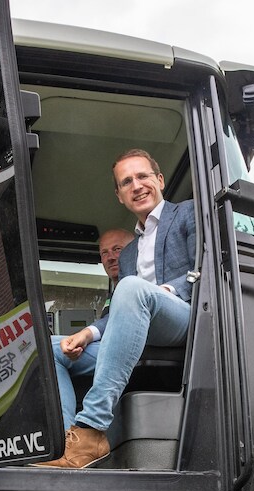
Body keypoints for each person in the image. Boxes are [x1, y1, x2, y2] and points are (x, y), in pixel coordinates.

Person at [40, 149, 197, 468]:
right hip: (137, 331)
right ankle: (66, 445)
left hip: (183, 318)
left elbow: (203, 269)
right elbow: (122, 310)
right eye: (126, 182)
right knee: (48, 348)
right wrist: (87, 333)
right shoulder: (129, 254)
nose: (136, 186)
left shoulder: (188, 213)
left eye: (143, 176)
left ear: (160, 180)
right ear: (120, 195)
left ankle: (92, 428)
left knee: (132, 288)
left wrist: (160, 292)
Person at [51, 227, 135, 430]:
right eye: (104, 253)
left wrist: (86, 334)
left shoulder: (136, 285)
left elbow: (116, 322)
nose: (111, 257)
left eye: (117, 249)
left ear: (135, 250)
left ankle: (66, 437)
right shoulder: (114, 292)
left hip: (132, 349)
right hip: (114, 346)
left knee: (49, 351)